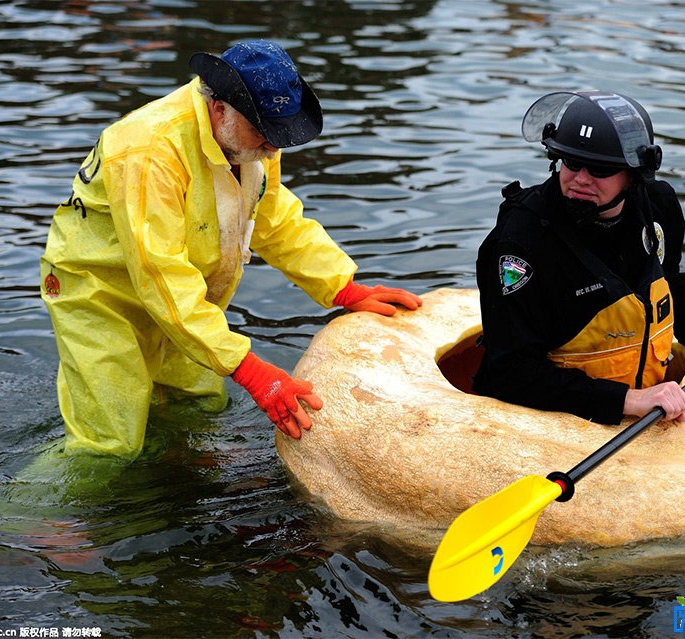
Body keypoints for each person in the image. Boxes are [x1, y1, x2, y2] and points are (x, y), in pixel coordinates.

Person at [40, 40, 422, 458]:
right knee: (109, 443)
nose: (274, 148)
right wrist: (250, 369)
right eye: (264, 133)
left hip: (186, 291)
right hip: (102, 292)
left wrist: (343, 288)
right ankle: (29, 502)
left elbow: (274, 219)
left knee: (198, 408)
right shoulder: (150, 150)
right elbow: (159, 272)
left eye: (280, 134)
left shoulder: (252, 141)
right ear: (220, 109)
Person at [473, 91, 685, 424]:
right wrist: (628, 400)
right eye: (572, 163)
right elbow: (510, 371)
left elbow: (668, 281)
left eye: (600, 169)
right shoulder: (521, 241)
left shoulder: (658, 207)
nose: (581, 179)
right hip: (542, 416)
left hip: (628, 401)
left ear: (633, 174)